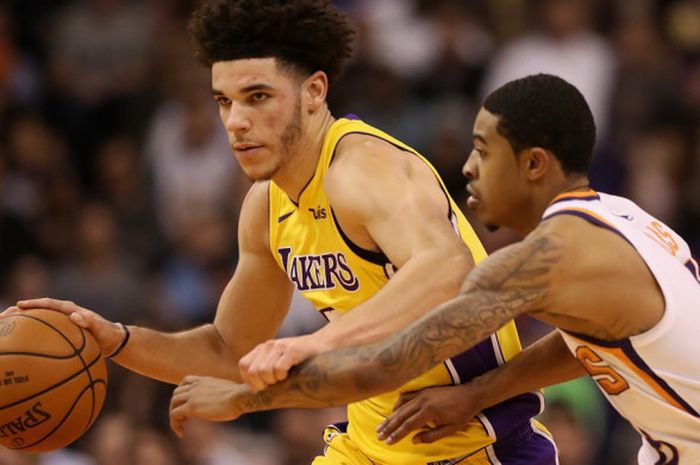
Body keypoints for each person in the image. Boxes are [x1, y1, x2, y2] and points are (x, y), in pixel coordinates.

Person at [7, 2, 557, 464]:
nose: (235, 121)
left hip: (472, 444)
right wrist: (119, 341)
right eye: (224, 101)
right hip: (368, 443)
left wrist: (315, 342)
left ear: (314, 91)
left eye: (257, 97)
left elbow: (446, 266)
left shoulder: (362, 168)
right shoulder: (265, 208)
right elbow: (229, 350)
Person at [169, 74, 700, 465]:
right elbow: (587, 343)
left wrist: (242, 397)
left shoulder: (540, 262)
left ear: (534, 164)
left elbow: (382, 368)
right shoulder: (622, 219)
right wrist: (476, 394)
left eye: (483, 152)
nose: (466, 169)